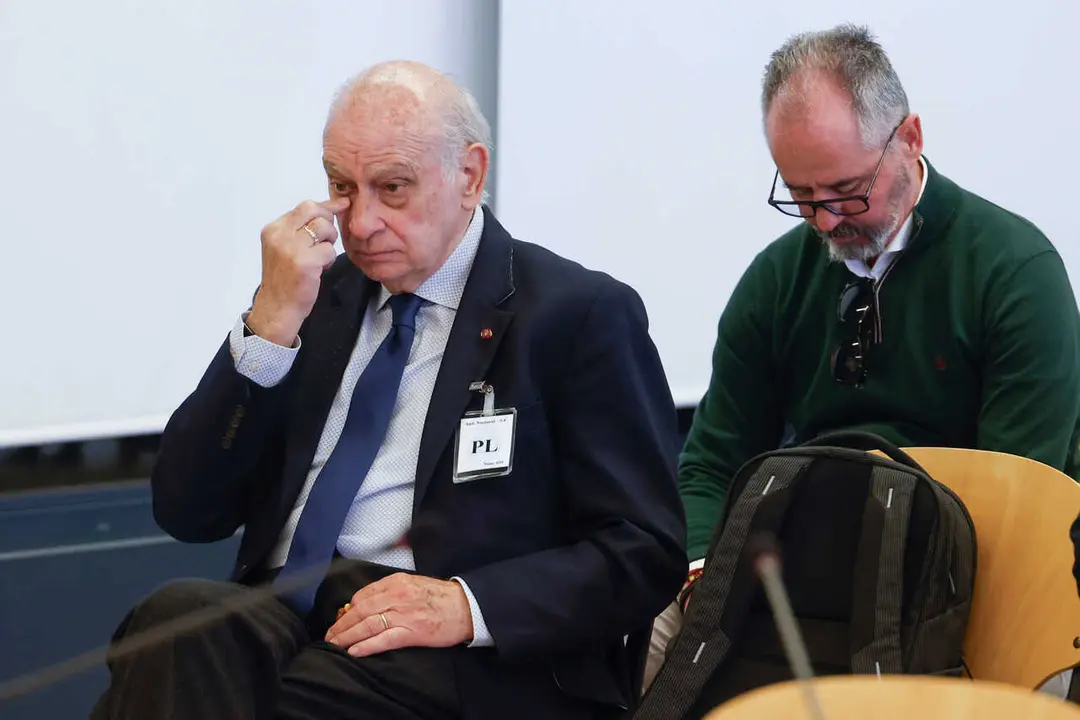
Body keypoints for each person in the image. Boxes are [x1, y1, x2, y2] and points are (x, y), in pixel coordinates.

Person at [91, 60, 687, 720]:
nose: (363, 221)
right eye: (342, 187)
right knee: (176, 620)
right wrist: (268, 327)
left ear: (469, 175)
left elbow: (642, 551)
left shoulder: (575, 315)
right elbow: (186, 509)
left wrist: (465, 604)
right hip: (281, 617)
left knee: (212, 696)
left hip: (454, 653)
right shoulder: (315, 301)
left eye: (393, 188)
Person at [644, 24, 1080, 690]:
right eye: (800, 195)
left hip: (961, 577)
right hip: (812, 570)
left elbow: (1017, 501)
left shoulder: (1013, 272)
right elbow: (710, 462)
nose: (823, 221)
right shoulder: (778, 279)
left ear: (909, 139)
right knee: (633, 640)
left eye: (846, 190)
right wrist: (701, 573)